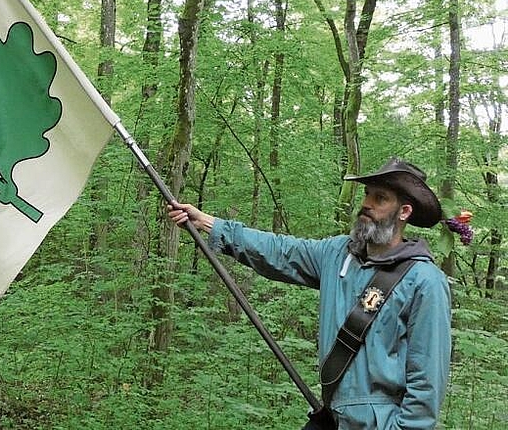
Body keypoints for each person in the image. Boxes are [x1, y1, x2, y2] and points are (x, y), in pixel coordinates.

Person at [168, 158, 451, 429]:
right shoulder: (337, 253)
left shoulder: (424, 281)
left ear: (404, 212)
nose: (366, 204)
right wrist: (209, 224)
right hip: (333, 418)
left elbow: (427, 381)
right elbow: (279, 250)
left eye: (380, 198)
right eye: (367, 194)